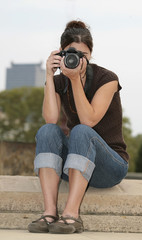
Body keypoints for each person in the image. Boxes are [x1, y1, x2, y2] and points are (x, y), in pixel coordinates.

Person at [28, 20, 129, 234]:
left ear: (90, 55)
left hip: (109, 166)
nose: (75, 59)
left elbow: (88, 121)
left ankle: (72, 215)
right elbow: (50, 118)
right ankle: (49, 213)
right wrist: (48, 76)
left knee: (82, 131)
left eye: (82, 55)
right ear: (61, 54)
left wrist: (75, 81)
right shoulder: (57, 81)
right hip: (76, 166)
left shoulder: (107, 79)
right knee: (46, 131)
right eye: (70, 54)